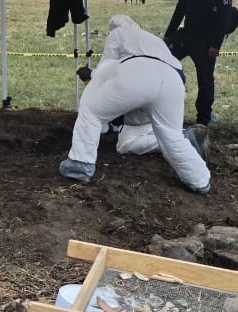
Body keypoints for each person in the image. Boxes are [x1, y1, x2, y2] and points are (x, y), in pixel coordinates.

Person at [60, 15, 210, 193]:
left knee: (90, 110)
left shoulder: (118, 34)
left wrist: (91, 75)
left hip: (136, 74)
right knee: (170, 135)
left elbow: (107, 66)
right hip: (173, 79)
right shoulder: (153, 39)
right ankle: (199, 179)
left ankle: (80, 163)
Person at [163, 0, 234, 126]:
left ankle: (203, 119)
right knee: (162, 61)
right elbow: (180, 10)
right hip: (187, 35)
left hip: (207, 41)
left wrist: (216, 45)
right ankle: (159, 105)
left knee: (205, 79)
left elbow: (224, 19)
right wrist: (168, 35)